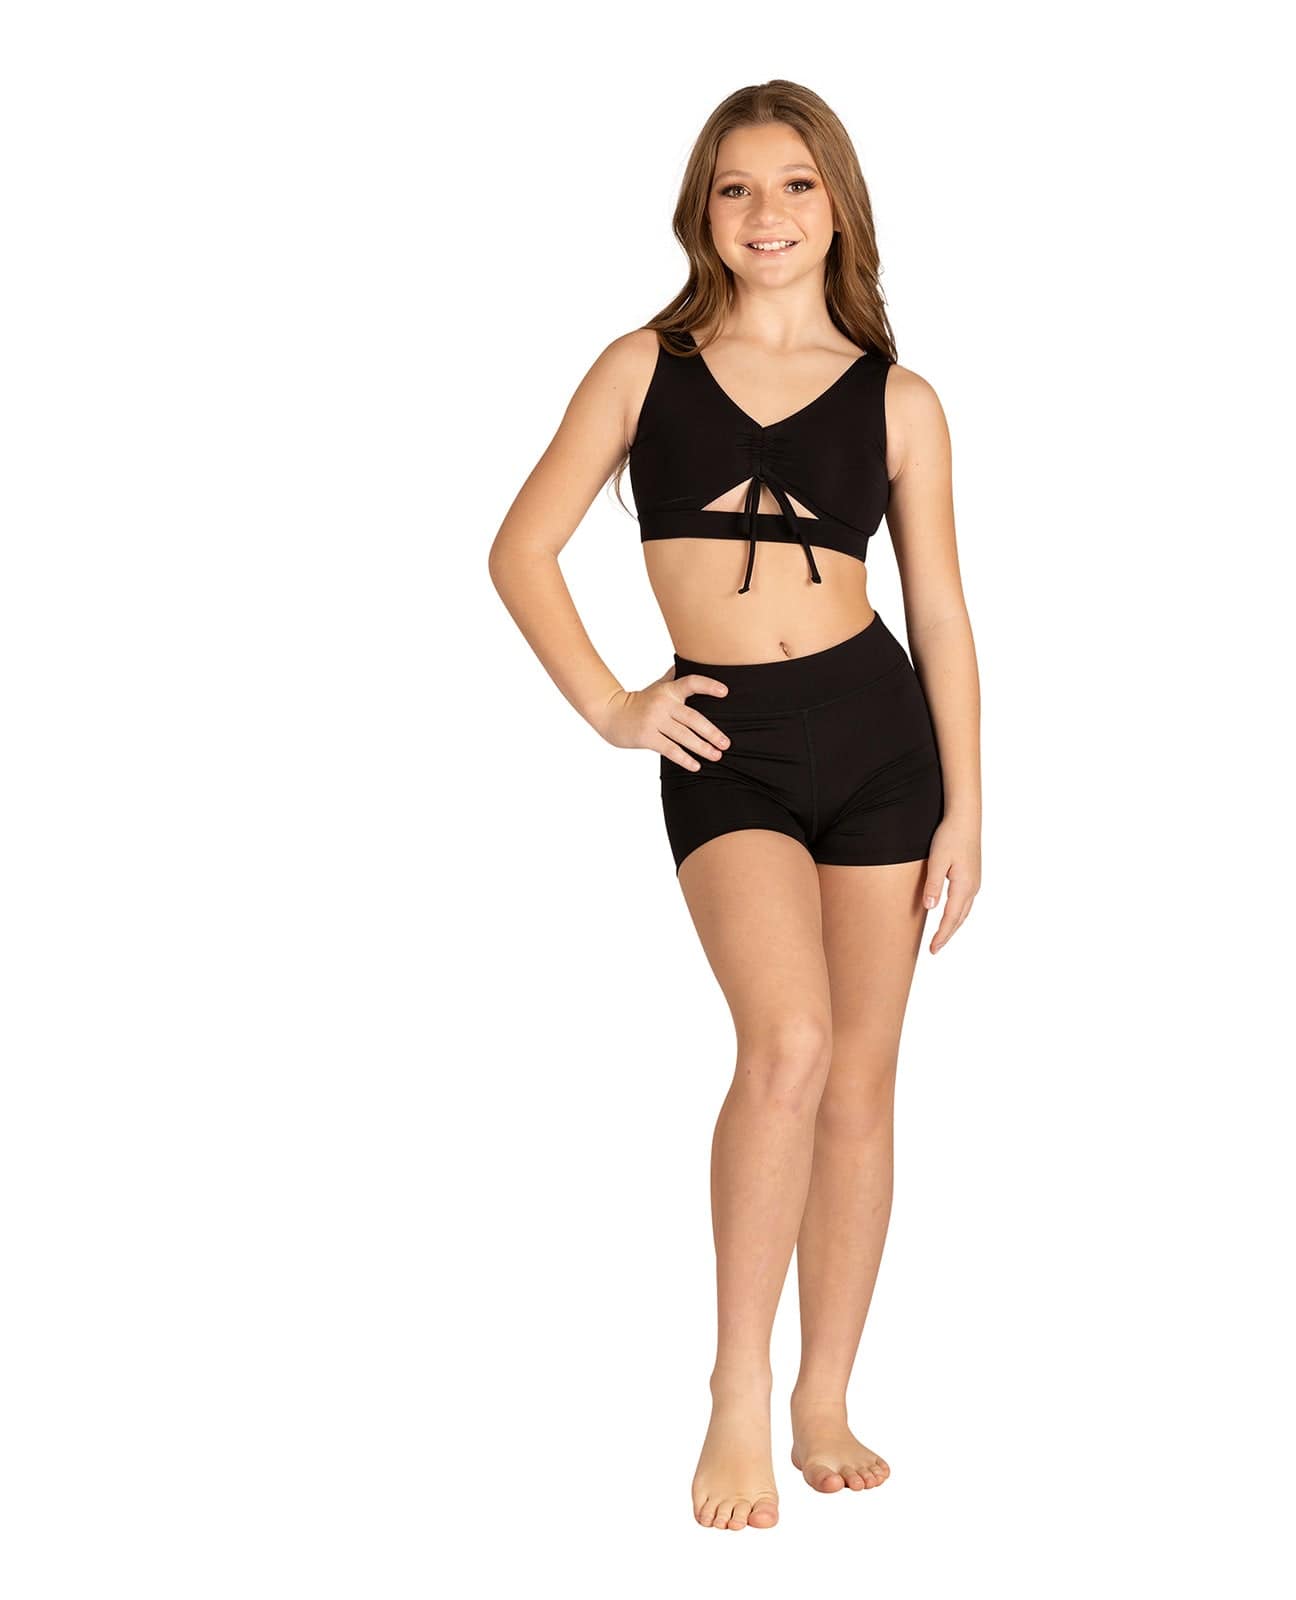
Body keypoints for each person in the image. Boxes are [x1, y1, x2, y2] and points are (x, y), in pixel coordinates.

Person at [488, 79, 982, 1532]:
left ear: (840, 206)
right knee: (789, 1044)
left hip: (881, 739)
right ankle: (735, 1387)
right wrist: (613, 704)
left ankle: (826, 1396)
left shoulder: (901, 398)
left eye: (796, 185)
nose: (768, 213)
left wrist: (968, 808)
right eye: (737, 187)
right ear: (701, 210)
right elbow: (520, 549)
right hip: (730, 747)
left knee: (862, 1078)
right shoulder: (643, 367)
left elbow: (942, 614)